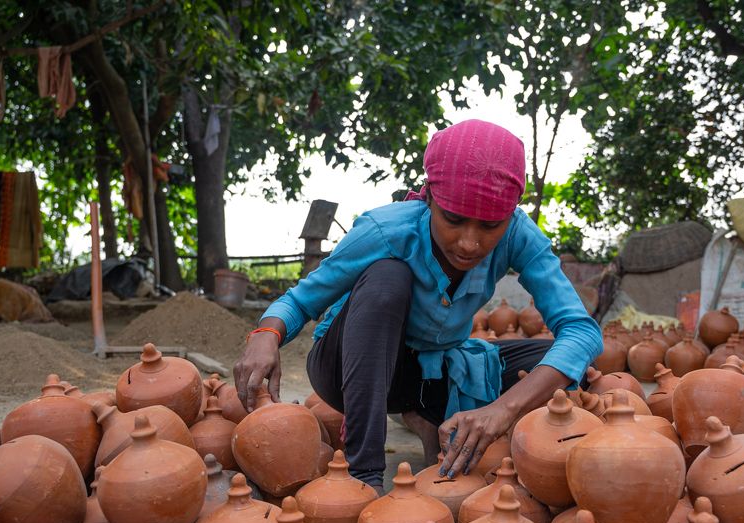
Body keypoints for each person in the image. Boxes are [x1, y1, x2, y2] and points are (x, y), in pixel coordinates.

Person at [234, 119, 602, 493]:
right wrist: (265, 334)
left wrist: (502, 410)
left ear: (510, 214)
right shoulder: (386, 230)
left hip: (431, 370)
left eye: (490, 226)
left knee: (568, 366)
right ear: (429, 199)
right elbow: (299, 300)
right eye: (454, 220)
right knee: (387, 279)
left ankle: (424, 414)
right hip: (349, 370)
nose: (470, 244)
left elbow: (580, 330)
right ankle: (364, 475)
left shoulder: (520, 234)